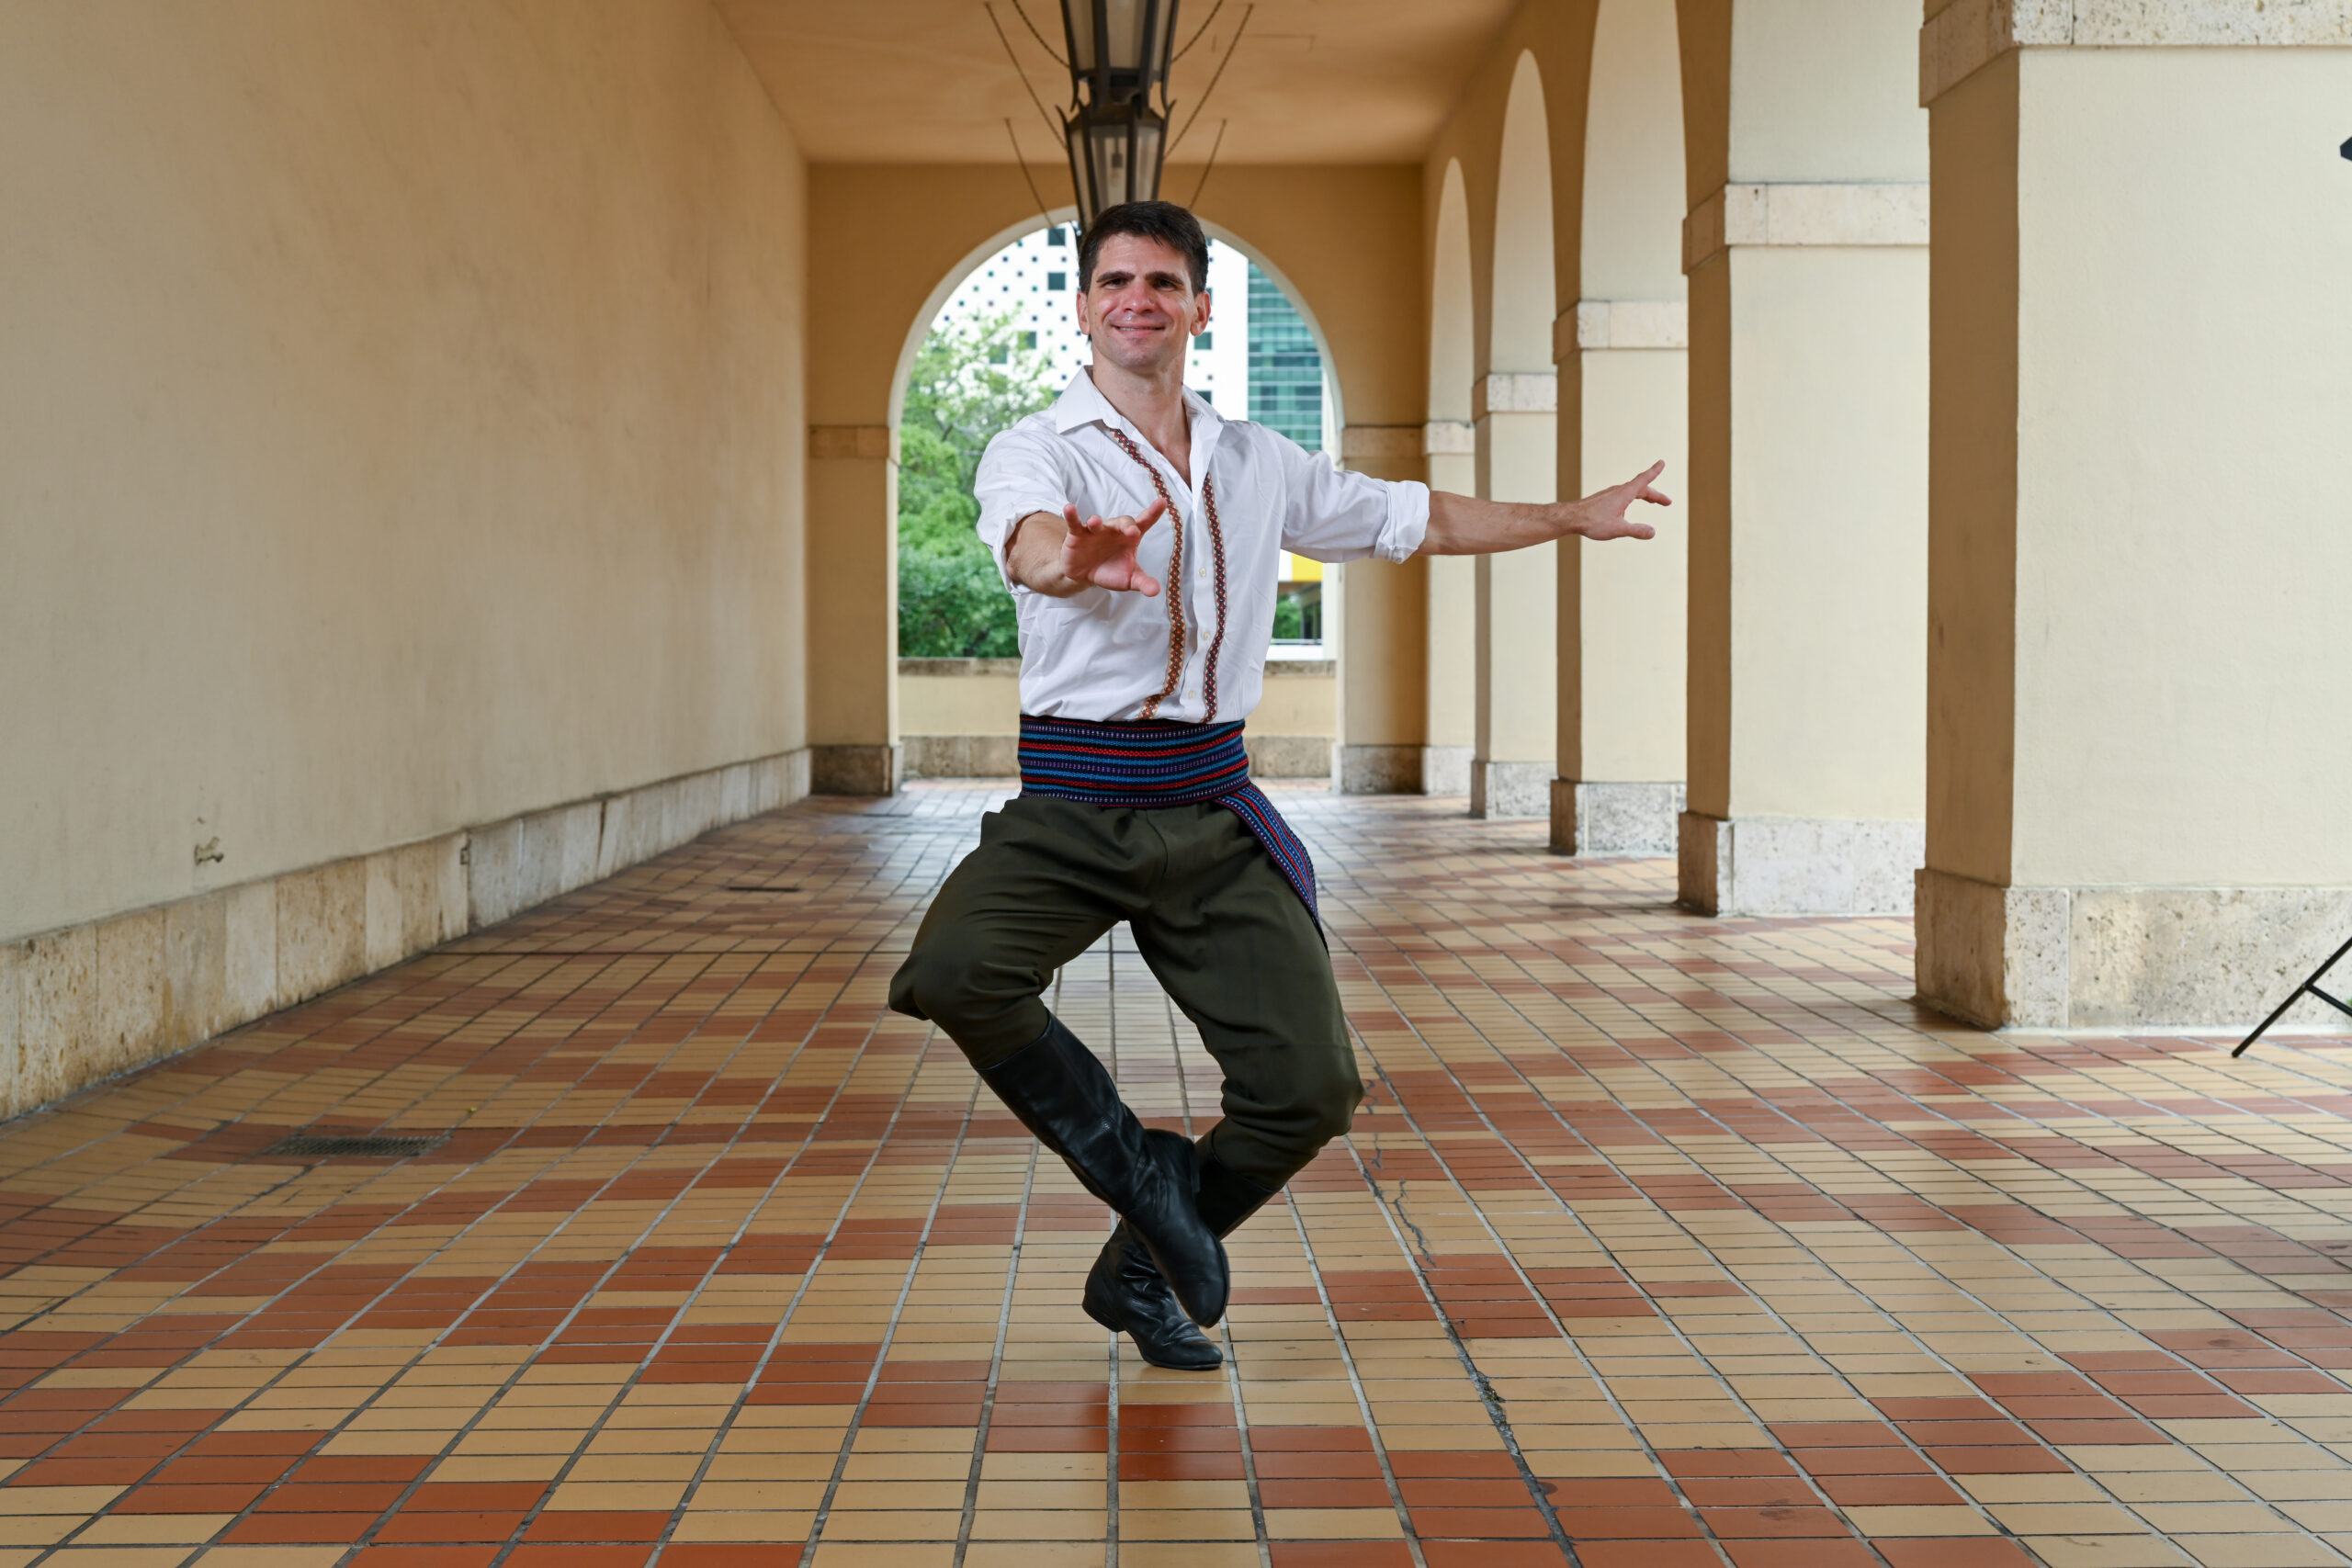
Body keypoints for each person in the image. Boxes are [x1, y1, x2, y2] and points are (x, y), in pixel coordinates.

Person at [889, 200, 1668, 1370]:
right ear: (1085, 306)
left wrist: (1568, 516)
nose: (1135, 299)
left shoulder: (1260, 463)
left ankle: (1145, 1271)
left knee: (1311, 1091)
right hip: (1075, 804)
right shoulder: (1036, 446)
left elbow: (1419, 517)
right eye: (1113, 281)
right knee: (952, 972)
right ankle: (1134, 1165)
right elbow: (1028, 542)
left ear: (1199, 307)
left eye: (1161, 281)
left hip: (1211, 812)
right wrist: (1075, 558)